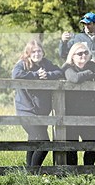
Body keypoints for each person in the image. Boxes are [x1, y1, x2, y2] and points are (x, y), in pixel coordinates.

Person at [12, 39, 64, 167]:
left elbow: (60, 72)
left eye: (39, 51)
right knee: (44, 142)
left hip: (42, 112)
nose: (37, 54)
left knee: (33, 140)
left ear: (43, 52)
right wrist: (35, 75)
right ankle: (34, 172)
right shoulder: (22, 64)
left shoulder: (46, 63)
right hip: (26, 111)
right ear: (28, 53)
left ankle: (29, 170)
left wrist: (47, 74)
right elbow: (15, 75)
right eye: (33, 51)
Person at [62, 42, 95, 165]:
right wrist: (89, 74)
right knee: (71, 146)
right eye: (80, 53)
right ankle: (73, 173)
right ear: (72, 56)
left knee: (92, 145)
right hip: (71, 113)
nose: (83, 55)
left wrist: (87, 74)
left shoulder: (92, 65)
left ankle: (88, 170)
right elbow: (74, 78)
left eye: (86, 52)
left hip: (89, 112)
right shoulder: (67, 67)